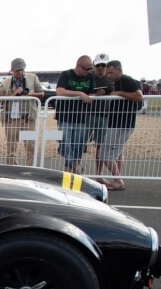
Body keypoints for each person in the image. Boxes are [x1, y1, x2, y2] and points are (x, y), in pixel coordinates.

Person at [100, 60, 143, 191]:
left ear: (119, 70)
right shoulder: (119, 82)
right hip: (118, 122)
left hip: (121, 123)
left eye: (111, 72)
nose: (109, 75)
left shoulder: (126, 80)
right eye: (108, 73)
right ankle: (117, 179)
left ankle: (118, 180)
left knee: (104, 154)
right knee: (114, 153)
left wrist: (119, 93)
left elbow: (139, 96)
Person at [0, 58, 44, 166]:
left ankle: (30, 171)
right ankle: (12, 171)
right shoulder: (6, 82)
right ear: (12, 70)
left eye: (22, 69)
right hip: (11, 120)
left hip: (27, 119)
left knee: (30, 146)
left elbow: (41, 93)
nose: (20, 72)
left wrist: (31, 94)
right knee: (11, 147)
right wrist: (14, 93)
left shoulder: (33, 78)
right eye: (17, 70)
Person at [55, 55, 95, 173]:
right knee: (66, 144)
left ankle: (74, 166)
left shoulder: (90, 77)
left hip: (81, 117)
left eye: (90, 69)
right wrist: (80, 93)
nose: (88, 72)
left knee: (79, 144)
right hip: (65, 116)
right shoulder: (66, 74)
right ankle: (69, 167)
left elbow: (92, 92)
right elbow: (60, 91)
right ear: (78, 66)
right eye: (86, 69)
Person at [88, 53, 114, 183]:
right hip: (88, 114)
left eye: (103, 65)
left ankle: (98, 175)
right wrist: (94, 94)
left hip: (104, 115)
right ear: (94, 65)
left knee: (100, 145)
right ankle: (76, 171)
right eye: (98, 65)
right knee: (80, 143)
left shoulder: (111, 78)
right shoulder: (89, 77)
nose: (101, 68)